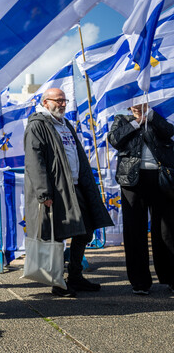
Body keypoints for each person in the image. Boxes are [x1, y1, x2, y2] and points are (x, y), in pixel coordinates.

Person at [24, 88, 113, 297]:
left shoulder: (65, 124)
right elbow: (34, 161)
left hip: (76, 186)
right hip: (56, 190)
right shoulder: (37, 125)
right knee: (57, 235)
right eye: (58, 100)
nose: (63, 104)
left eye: (64, 100)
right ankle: (57, 281)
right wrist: (44, 193)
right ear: (46, 102)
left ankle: (75, 276)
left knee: (86, 230)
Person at [108, 103, 174, 295]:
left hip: (161, 179)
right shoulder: (121, 119)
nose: (138, 105)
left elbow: (169, 132)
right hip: (132, 181)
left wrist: (150, 115)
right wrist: (137, 123)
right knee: (134, 230)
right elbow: (114, 140)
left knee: (166, 229)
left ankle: (170, 277)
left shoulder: (157, 116)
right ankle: (140, 282)